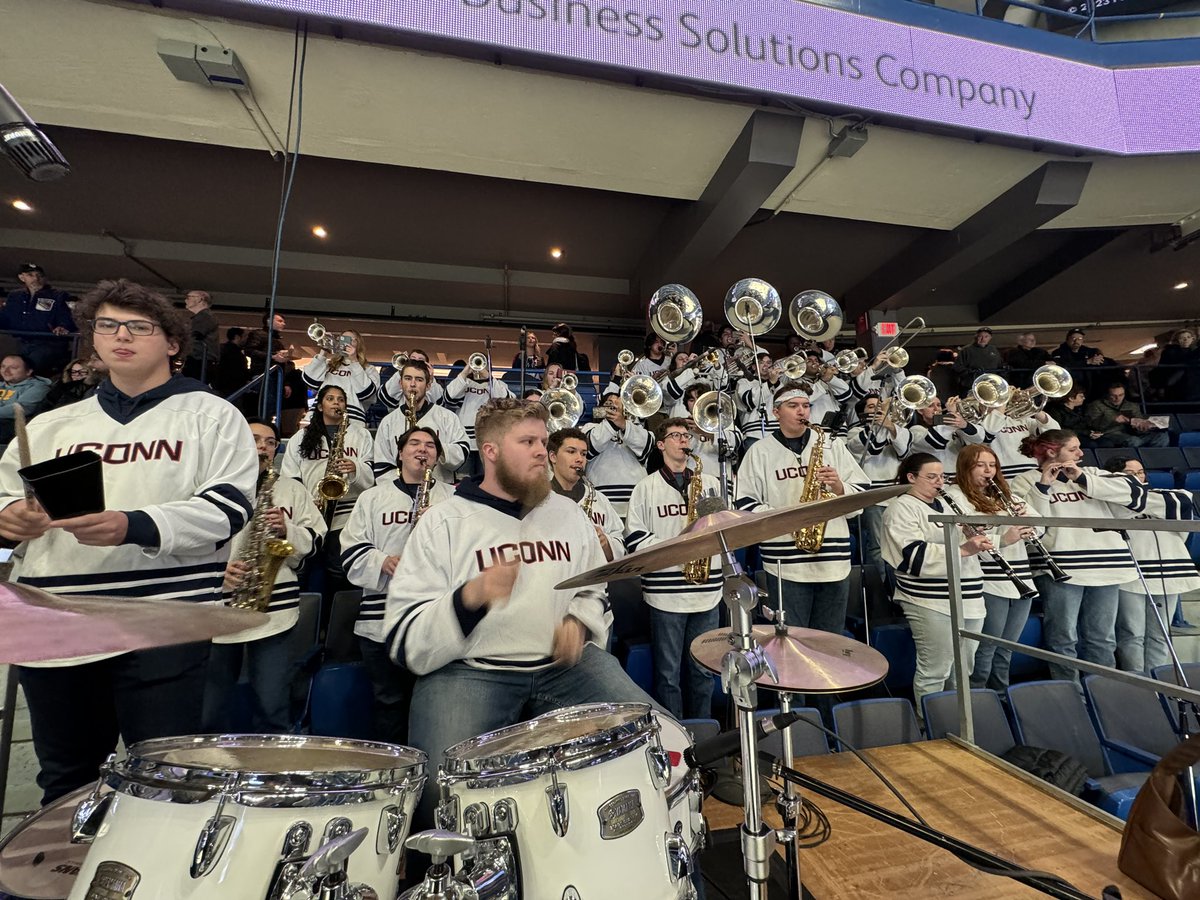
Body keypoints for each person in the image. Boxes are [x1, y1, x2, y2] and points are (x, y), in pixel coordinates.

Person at [0, 278, 257, 804]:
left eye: (140, 326)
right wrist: (10, 519)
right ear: (92, 338)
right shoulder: (51, 424)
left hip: (165, 617)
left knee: (167, 777)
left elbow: (227, 509)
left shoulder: (212, 416)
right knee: (68, 782)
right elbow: (5, 496)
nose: (122, 335)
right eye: (108, 325)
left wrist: (130, 524)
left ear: (171, 343)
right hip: (56, 620)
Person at [383, 398, 654, 822]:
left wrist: (578, 622)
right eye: (526, 441)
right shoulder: (444, 522)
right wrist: (470, 598)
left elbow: (592, 586)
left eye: (543, 442)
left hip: (564, 666)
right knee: (439, 791)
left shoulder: (567, 514)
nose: (540, 453)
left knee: (654, 736)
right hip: (470, 670)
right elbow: (404, 642)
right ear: (490, 451)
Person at [206, 418, 325, 733]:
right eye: (256, 439)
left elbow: (318, 537)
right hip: (218, 608)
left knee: (272, 705)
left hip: (276, 609)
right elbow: (187, 541)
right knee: (209, 706)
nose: (263, 447)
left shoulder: (291, 488)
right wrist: (217, 571)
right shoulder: (211, 484)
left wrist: (288, 530)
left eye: (271, 442)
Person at [342, 426, 454, 743]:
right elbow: (350, 550)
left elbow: (468, 554)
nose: (423, 449)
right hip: (381, 622)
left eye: (431, 445)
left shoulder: (454, 499)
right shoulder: (372, 497)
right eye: (414, 443)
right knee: (389, 704)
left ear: (438, 456)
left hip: (435, 621)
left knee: (434, 707)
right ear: (400, 453)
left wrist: (440, 529)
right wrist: (383, 561)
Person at [1009, 430, 1147, 684]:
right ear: (1052, 452)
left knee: (1102, 637)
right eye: (1073, 449)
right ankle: (1070, 692)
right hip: (1061, 568)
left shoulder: (1094, 474)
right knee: (1063, 636)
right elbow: (1031, 526)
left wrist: (1082, 478)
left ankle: (1103, 691)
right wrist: (1043, 486)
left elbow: (1133, 496)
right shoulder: (1024, 480)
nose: (1081, 454)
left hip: (1108, 566)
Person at [736, 385, 869, 637]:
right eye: (793, 406)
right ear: (776, 412)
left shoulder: (832, 444)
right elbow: (745, 503)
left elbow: (862, 490)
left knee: (830, 641)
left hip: (833, 560)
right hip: (785, 562)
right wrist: (788, 519)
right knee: (792, 641)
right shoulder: (759, 451)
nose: (802, 411)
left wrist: (840, 487)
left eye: (806, 406)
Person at [626, 418, 722, 719]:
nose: (684, 440)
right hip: (665, 595)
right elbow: (635, 538)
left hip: (707, 591)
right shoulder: (645, 487)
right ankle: (679, 740)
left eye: (687, 435)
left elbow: (721, 529)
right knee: (668, 675)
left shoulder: (710, 484)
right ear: (661, 444)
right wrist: (680, 543)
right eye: (676, 435)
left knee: (704, 671)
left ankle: (706, 735)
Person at [881, 453, 987, 714]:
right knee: (935, 670)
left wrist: (1000, 538)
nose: (939, 482)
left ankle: (960, 723)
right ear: (911, 477)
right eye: (931, 477)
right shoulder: (901, 508)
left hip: (970, 597)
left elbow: (974, 547)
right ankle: (931, 725)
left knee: (964, 668)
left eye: (942, 476)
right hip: (929, 600)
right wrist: (962, 549)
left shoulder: (949, 504)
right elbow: (912, 557)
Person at [945, 444, 1036, 693]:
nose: (988, 471)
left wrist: (1026, 521)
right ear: (965, 467)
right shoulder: (955, 496)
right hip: (989, 578)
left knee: (1008, 647)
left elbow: (1042, 528)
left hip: (1021, 577)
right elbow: (968, 536)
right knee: (986, 647)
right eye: (980, 465)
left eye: (992, 465)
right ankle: (979, 696)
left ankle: (1000, 696)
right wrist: (1004, 535)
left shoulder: (1006, 494)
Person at [1103, 456, 1200, 674]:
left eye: (1140, 472)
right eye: (1130, 473)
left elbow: (1183, 531)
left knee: (1160, 633)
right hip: (1131, 574)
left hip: (1168, 570)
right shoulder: (1110, 503)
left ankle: (1158, 682)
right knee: (1132, 632)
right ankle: (1138, 681)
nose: (1138, 477)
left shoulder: (1163, 497)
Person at [280, 384, 374, 536]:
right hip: (310, 510)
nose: (336, 402)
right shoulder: (300, 437)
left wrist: (356, 468)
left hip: (347, 515)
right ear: (320, 407)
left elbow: (370, 473)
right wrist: (308, 501)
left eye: (341, 400)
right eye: (330, 399)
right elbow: (290, 475)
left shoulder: (362, 435)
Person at [844, 393, 911, 584]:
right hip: (873, 498)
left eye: (880, 406)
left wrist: (890, 425)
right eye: (872, 407)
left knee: (901, 542)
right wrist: (883, 425)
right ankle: (883, 588)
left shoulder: (897, 429)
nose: (878, 409)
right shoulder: (854, 434)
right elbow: (872, 447)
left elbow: (903, 452)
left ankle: (901, 584)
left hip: (898, 496)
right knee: (877, 546)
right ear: (862, 413)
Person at [373, 359, 468, 484]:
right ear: (400, 383)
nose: (413, 384)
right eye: (408, 378)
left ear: (428, 385)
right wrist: (402, 487)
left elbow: (462, 452)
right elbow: (382, 466)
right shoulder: (388, 422)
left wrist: (435, 447)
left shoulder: (447, 417)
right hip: (401, 494)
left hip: (440, 492)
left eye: (419, 379)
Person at [548, 426, 625, 566]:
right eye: (571, 452)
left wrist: (606, 543)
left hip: (596, 583)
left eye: (583, 454)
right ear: (553, 456)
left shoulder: (599, 499)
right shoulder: (537, 500)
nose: (579, 459)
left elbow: (619, 542)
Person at [581, 391, 652, 518]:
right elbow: (591, 447)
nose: (613, 406)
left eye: (618, 403)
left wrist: (624, 424)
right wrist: (614, 422)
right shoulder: (589, 427)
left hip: (637, 504)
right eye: (609, 403)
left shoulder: (638, 430)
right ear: (600, 408)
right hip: (600, 504)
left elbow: (646, 447)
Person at [0, 263, 76, 374]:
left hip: (47, 343)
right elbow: (6, 318)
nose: (36, 279)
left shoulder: (57, 295)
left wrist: (62, 327)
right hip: (18, 342)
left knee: (30, 369)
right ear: (22, 277)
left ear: (45, 278)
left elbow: (66, 318)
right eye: (30, 275)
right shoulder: (15, 296)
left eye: (39, 275)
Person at [444, 354, 513, 474]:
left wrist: (488, 377)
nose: (479, 367)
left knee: (486, 482)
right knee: (464, 482)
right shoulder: (465, 384)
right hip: (465, 442)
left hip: (488, 442)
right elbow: (449, 397)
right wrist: (464, 373)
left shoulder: (497, 385)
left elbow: (506, 400)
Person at [301, 328, 379, 425]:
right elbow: (309, 380)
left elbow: (366, 394)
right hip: (319, 415)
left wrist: (353, 361)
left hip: (352, 417)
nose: (346, 342)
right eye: (343, 339)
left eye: (351, 339)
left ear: (358, 344)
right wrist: (323, 352)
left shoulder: (368, 369)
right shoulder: (328, 364)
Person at [908, 395, 986, 482]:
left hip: (960, 479)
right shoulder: (915, 430)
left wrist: (964, 425)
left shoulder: (953, 428)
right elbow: (935, 442)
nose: (936, 409)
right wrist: (952, 415)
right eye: (930, 406)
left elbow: (979, 439)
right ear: (920, 410)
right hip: (935, 482)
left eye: (939, 405)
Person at [1086, 382, 1168, 448]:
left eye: (1121, 395)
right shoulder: (1096, 405)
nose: (1117, 398)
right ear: (1107, 395)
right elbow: (1093, 425)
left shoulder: (1132, 406)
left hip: (1132, 433)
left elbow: (1139, 421)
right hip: (1111, 434)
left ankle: (1152, 459)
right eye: (1113, 396)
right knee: (1134, 441)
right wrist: (1113, 419)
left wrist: (1143, 426)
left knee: (1162, 437)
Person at [0, 354, 52, 442]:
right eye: (3, 366)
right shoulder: (1, 385)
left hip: (15, 425)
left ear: (28, 372)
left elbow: (19, 409)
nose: (6, 371)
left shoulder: (39, 387)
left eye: (13, 368)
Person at [380, 347, 444, 408]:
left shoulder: (432, 381)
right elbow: (387, 398)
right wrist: (401, 372)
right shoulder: (399, 377)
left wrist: (430, 379)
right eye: (412, 360)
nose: (415, 363)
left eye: (420, 361)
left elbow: (437, 403)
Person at [40, 356, 104, 413]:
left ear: (90, 372)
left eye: (82, 372)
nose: (76, 375)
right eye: (73, 372)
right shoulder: (60, 387)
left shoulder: (94, 389)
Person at [182, 290, 219, 383]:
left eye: (188, 297)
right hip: (200, 360)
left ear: (200, 300)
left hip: (199, 360)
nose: (186, 300)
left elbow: (194, 334)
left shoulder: (204, 317)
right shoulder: (204, 317)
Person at [952, 327, 1004, 393]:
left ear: (990, 338)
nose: (983, 339)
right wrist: (969, 372)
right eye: (980, 336)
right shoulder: (966, 350)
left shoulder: (993, 349)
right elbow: (957, 367)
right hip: (971, 386)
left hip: (990, 386)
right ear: (976, 337)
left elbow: (1000, 365)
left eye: (986, 336)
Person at [1156, 327, 1200, 404]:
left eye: (1188, 337)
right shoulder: (1170, 352)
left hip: (1193, 387)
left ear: (1192, 339)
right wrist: (1161, 387)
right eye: (1182, 338)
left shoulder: (1194, 353)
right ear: (1177, 340)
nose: (1185, 339)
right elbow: (1161, 370)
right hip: (1177, 386)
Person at [214, 326, 251, 397]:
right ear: (237, 337)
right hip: (232, 389)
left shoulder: (222, 349)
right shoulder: (236, 354)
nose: (246, 339)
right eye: (245, 336)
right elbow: (239, 372)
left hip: (221, 388)